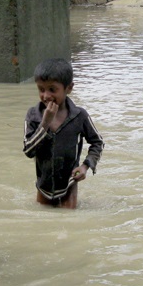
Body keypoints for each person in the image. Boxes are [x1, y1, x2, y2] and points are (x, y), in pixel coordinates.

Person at [23, 58, 104, 209]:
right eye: (41, 89)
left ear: (69, 88)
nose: (46, 96)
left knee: (68, 219)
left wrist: (86, 166)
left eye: (52, 90)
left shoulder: (79, 116)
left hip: (69, 184)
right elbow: (28, 151)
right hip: (43, 186)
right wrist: (45, 123)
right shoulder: (33, 116)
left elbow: (97, 142)